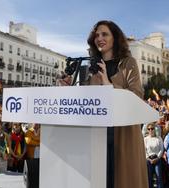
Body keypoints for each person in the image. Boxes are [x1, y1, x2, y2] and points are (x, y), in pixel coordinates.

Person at [61, 20, 148, 188]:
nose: (99, 38)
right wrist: (69, 88)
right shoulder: (92, 67)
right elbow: (86, 101)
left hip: (123, 135)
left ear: (115, 37)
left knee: (122, 180)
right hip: (97, 136)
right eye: (96, 35)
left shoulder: (128, 63)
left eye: (104, 34)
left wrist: (108, 84)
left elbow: (137, 95)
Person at [144, 123, 164, 188]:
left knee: (159, 176)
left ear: (155, 129)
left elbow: (161, 149)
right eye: (149, 129)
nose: (150, 130)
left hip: (157, 159)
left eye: (152, 128)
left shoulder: (159, 138)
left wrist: (157, 158)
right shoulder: (145, 139)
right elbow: (144, 150)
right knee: (149, 177)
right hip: (149, 160)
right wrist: (149, 159)